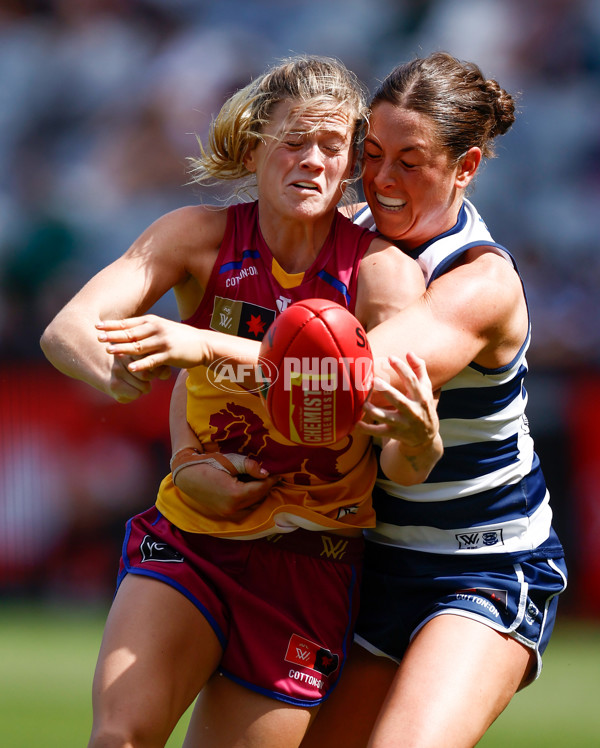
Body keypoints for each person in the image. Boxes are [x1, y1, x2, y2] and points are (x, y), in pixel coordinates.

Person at [40, 55, 441, 748]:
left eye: (331, 146)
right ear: (255, 145)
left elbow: (403, 462)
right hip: (191, 539)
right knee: (119, 737)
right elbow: (67, 329)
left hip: (309, 565)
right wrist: (121, 376)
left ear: (349, 162)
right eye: (294, 141)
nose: (313, 161)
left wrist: (422, 439)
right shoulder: (200, 238)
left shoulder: (382, 277)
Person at [298, 51, 569, 748]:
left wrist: (198, 348)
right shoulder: (348, 235)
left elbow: (352, 372)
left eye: (411, 161)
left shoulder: (480, 283)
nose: (382, 179)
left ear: (466, 167)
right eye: (374, 153)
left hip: (485, 564)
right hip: (374, 561)